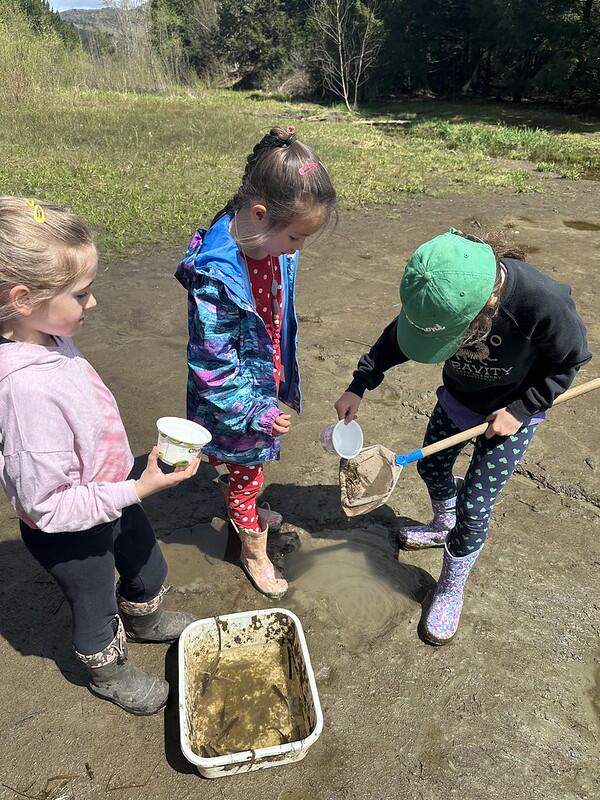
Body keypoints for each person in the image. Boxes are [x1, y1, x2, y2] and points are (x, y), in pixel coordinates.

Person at [334, 228, 591, 644]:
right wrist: (359, 384)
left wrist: (521, 410)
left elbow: (570, 361)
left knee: (476, 503)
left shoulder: (542, 302)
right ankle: (442, 524)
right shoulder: (440, 291)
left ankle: (451, 585)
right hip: (457, 399)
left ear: (486, 303)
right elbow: (398, 338)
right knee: (432, 468)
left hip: (510, 416)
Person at [0, 197, 200, 714]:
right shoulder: (24, 393)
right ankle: (105, 670)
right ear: (23, 298)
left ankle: (147, 617)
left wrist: (130, 483)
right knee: (93, 604)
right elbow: (46, 505)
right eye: (81, 293)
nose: (93, 304)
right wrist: (138, 488)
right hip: (69, 529)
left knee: (146, 562)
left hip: (109, 491)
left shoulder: (51, 335)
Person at [176, 126, 336, 599]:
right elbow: (214, 368)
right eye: (297, 237)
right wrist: (256, 412)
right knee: (249, 473)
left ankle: (242, 500)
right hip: (234, 398)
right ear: (260, 214)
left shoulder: (262, 235)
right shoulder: (216, 279)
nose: (298, 249)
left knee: (243, 466)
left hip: (259, 377)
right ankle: (252, 548)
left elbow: (274, 294)